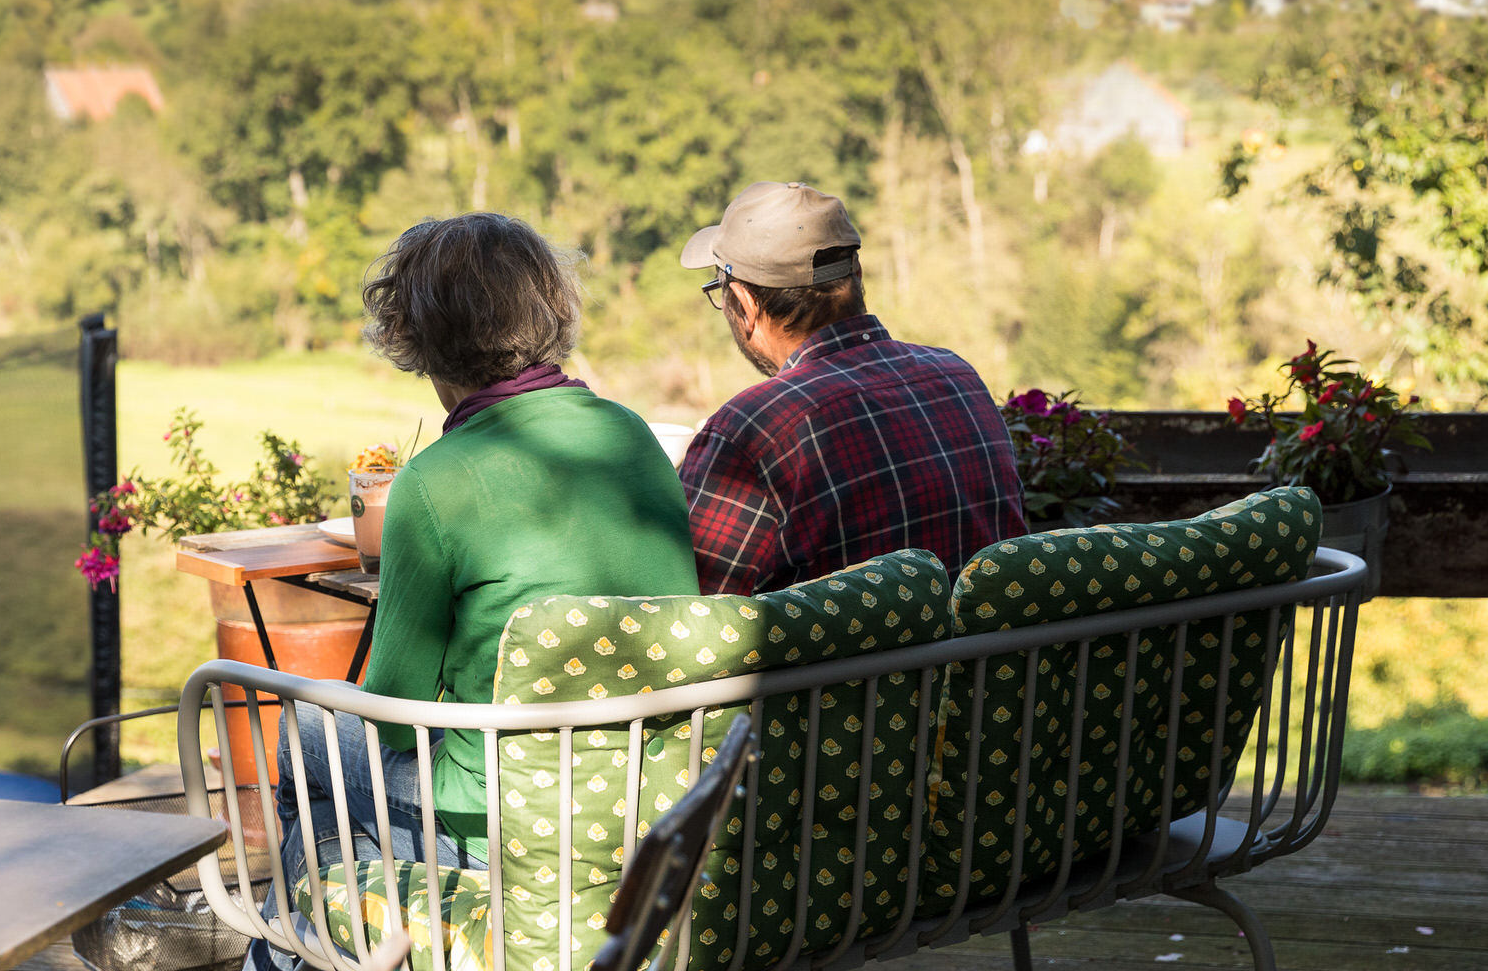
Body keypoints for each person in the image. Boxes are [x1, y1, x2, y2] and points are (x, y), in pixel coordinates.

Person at [249, 212, 699, 971]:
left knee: (308, 732)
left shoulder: (432, 484)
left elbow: (393, 712)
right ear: (550, 308)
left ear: (417, 334)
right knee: (348, 807)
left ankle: (289, 948)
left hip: (495, 811)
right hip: (635, 792)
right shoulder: (632, 438)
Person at [677, 181, 1026, 596]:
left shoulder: (753, 431)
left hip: (854, 663)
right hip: (984, 659)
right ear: (856, 275)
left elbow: (692, 611)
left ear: (745, 304)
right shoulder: (958, 377)